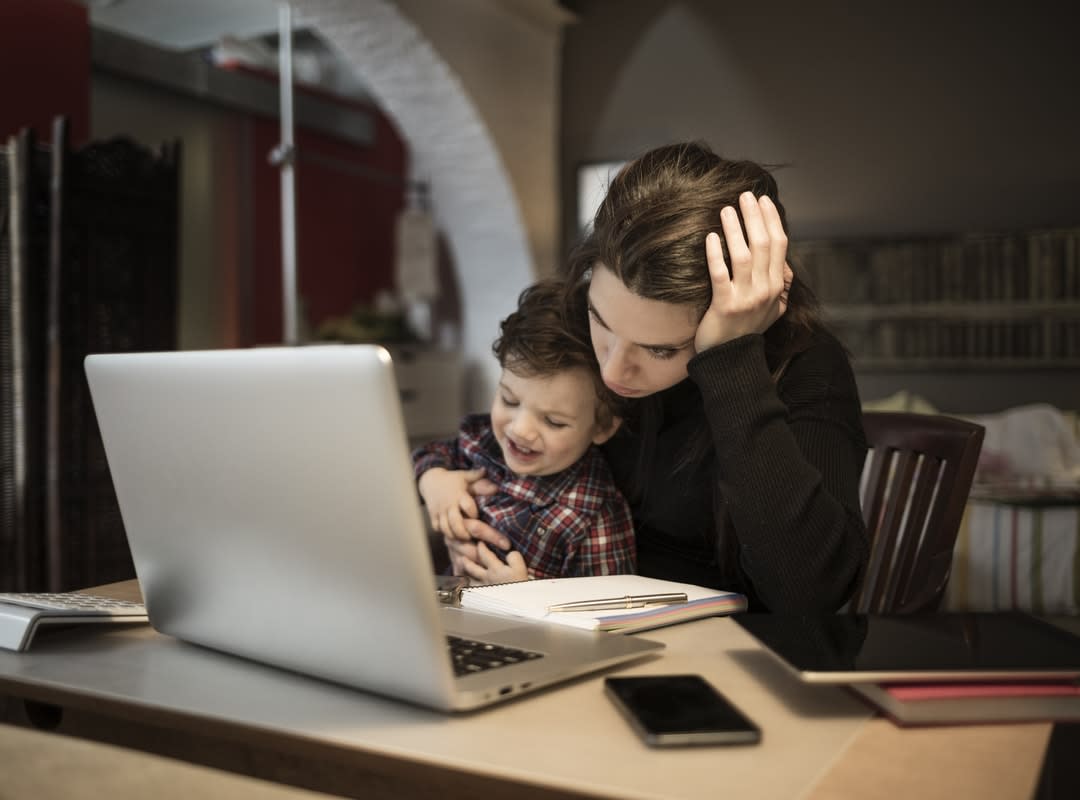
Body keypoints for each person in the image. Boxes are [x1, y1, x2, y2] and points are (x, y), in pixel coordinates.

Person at [446, 141, 868, 612]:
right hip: (566, 619)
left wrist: (731, 360)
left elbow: (810, 595)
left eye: (661, 350)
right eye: (600, 321)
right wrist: (440, 481)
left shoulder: (806, 367)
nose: (612, 371)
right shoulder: (569, 328)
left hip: (732, 642)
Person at [412, 280, 635, 584]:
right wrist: (434, 480)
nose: (520, 430)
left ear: (603, 427)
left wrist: (524, 593)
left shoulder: (593, 513)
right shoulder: (483, 441)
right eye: (509, 400)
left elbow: (609, 603)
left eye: (553, 421)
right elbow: (429, 453)